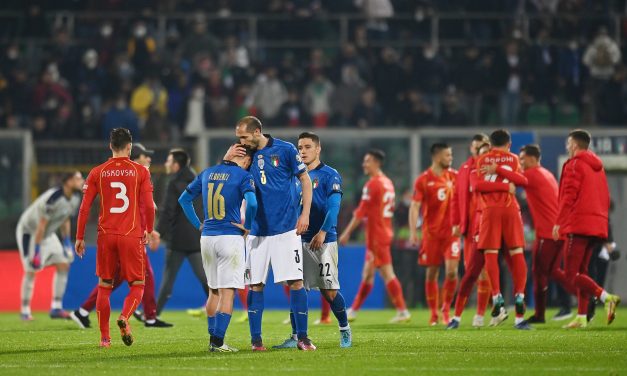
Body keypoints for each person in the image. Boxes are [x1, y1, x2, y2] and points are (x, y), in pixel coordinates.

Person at [228, 116, 315, 351]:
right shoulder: (243, 155)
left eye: (244, 137)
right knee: (255, 285)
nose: (241, 141)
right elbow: (225, 183)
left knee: (295, 282)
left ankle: (303, 338)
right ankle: (256, 341)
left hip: (286, 229)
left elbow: (305, 180)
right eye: (239, 138)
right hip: (256, 232)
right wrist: (230, 161)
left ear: (257, 132)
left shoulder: (285, 150)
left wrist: (304, 214)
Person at [70, 144, 171, 329]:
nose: (148, 159)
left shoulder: (105, 172)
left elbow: (87, 207)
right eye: (145, 155)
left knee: (111, 281)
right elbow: (146, 206)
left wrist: (79, 236)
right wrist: (149, 229)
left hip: (110, 235)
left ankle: (89, 317)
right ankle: (148, 316)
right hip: (132, 235)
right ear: (132, 152)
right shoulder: (138, 174)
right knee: (143, 276)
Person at [274, 132, 352, 349]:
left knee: (329, 291)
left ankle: (344, 329)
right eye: (300, 147)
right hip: (297, 239)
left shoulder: (329, 175)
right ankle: (296, 336)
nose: (303, 151)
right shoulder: (295, 176)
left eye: (308, 147)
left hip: (323, 241)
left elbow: (334, 207)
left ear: (318, 149)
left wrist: (323, 232)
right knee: (296, 287)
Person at [178, 144, 257, 352]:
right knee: (227, 293)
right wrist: (247, 226)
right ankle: (218, 342)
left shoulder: (207, 173)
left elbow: (184, 199)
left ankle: (212, 340)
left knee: (213, 292)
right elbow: (253, 203)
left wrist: (198, 224)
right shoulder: (242, 176)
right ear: (246, 160)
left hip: (207, 238)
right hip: (230, 237)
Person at [553, 129, 620, 329]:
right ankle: (582, 317)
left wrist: (559, 222)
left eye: (568, 143)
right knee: (582, 272)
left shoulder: (575, 164)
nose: (567, 147)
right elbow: (606, 198)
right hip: (596, 226)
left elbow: (568, 196)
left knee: (571, 275)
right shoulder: (597, 166)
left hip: (578, 224)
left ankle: (607, 297)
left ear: (574, 144)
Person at [447, 142, 516, 329]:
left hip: (496, 225)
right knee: (471, 273)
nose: (487, 157)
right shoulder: (471, 172)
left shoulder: (499, 172)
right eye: (483, 153)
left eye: (489, 153)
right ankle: (458, 317)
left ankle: (495, 312)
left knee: (501, 269)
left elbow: (516, 184)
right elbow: (472, 189)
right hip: (478, 227)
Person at [340, 150, 410, 323]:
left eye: (367, 161)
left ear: (377, 163)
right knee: (368, 273)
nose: (364, 164)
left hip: (377, 235)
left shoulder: (373, 184)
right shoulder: (388, 183)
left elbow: (360, 212)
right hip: (384, 231)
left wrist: (347, 232)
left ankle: (402, 311)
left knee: (387, 273)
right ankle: (354, 310)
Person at [475, 129, 530, 330]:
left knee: (491, 254)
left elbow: (478, 186)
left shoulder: (482, 160)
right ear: (509, 144)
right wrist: (506, 186)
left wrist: (495, 171)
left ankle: (497, 296)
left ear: (490, 144)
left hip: (490, 211)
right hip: (510, 209)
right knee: (517, 253)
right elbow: (523, 182)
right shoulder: (514, 159)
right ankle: (520, 298)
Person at [517, 144, 574, 324]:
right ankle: (540, 314)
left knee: (544, 271)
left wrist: (496, 167)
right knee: (546, 271)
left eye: (522, 159)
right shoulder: (547, 173)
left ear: (532, 159)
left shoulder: (532, 174)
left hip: (548, 233)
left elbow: (512, 179)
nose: (520, 162)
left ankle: (587, 295)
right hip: (555, 232)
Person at [16, 171, 83, 321]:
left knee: (64, 265)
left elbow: (64, 219)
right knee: (31, 269)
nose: (82, 181)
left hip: (47, 233)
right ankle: (25, 310)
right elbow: (41, 225)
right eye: (78, 178)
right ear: (68, 181)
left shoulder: (76, 197)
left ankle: (56, 307)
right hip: (31, 232)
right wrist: (38, 251)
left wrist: (66, 244)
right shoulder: (54, 198)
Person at [409, 143, 459, 326]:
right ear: (437, 157)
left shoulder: (455, 176)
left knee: (452, 272)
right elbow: (415, 206)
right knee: (432, 273)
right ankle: (433, 313)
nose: (450, 158)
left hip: (452, 234)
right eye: (448, 155)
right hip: (431, 235)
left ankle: (446, 309)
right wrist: (413, 231)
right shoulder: (423, 179)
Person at [155, 149, 209, 317]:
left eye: (168, 161)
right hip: (196, 237)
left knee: (168, 280)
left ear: (176, 165)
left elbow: (168, 211)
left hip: (177, 239)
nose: (166, 164)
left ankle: (154, 313)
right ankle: (219, 307)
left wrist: (158, 232)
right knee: (205, 279)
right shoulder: (199, 180)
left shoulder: (174, 183)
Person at [450, 134, 491, 327]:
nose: (477, 150)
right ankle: (481, 311)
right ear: (471, 148)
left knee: (482, 272)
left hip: (486, 224)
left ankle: (480, 314)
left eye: (481, 147)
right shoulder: (465, 169)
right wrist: (456, 222)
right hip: (468, 227)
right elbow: (456, 197)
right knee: (471, 271)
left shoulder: (488, 169)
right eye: (475, 147)